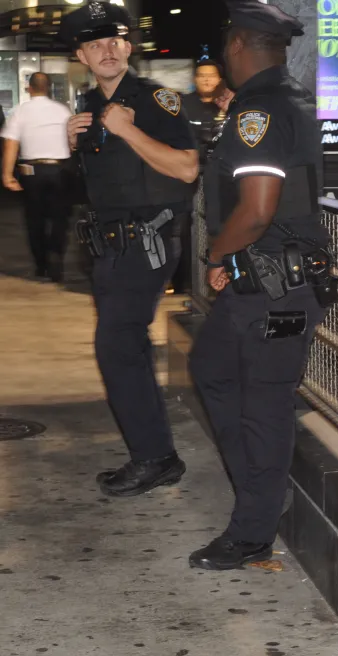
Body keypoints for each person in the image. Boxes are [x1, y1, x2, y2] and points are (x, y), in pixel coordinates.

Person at [187, 0, 329, 570]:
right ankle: (261, 493)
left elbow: (258, 208)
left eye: (227, 45)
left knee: (263, 409)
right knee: (212, 370)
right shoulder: (275, 102)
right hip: (261, 283)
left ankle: (252, 534)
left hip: (275, 291)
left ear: (240, 46)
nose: (224, 54)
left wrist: (215, 252)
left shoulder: (262, 111)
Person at [61, 1, 199, 497]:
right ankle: (155, 452)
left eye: (114, 40)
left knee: (116, 346)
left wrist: (127, 129)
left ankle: (155, 457)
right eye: (94, 44)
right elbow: (110, 182)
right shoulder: (87, 106)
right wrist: (73, 142)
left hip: (147, 243)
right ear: (81, 53)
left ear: (129, 46)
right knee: (129, 348)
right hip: (111, 248)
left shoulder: (157, 100)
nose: (107, 50)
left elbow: (185, 168)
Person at [1, 72, 73, 282]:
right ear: (48, 88)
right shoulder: (63, 111)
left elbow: (10, 144)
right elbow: (72, 140)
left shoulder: (20, 112)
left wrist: (6, 174)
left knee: (35, 220)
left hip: (31, 172)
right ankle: (56, 255)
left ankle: (41, 265)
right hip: (60, 170)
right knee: (60, 218)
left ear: (29, 88)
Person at [174, 57, 233, 294]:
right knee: (184, 231)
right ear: (194, 79)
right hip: (186, 179)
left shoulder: (229, 106)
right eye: (201, 75)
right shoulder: (182, 105)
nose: (207, 79)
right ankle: (183, 283)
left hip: (220, 180)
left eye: (212, 75)